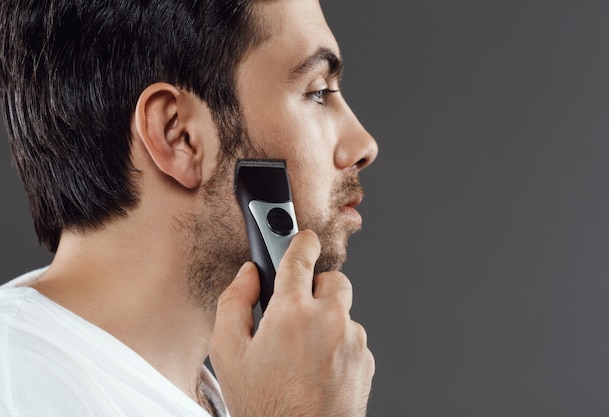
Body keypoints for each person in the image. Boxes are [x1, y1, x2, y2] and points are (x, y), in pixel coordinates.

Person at [0, 0, 378, 415]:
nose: (364, 145)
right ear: (178, 136)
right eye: (317, 91)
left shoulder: (237, 394)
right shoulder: (19, 386)